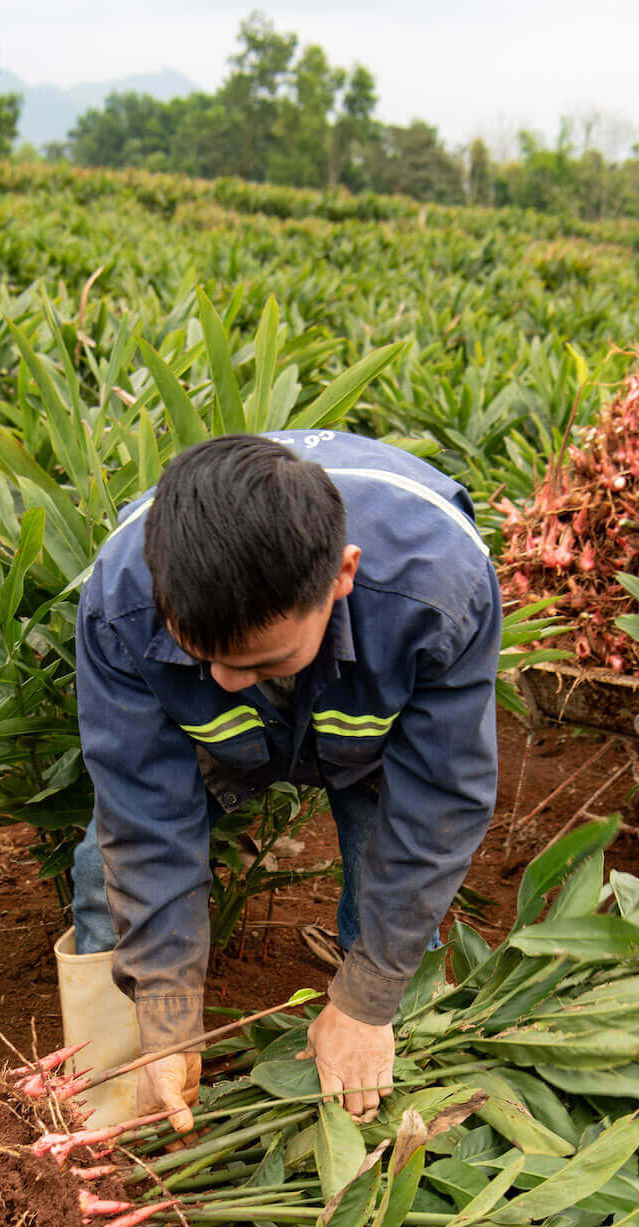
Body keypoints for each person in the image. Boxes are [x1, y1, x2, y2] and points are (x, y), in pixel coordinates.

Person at [73, 429, 501, 1133]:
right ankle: (122, 1098)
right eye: (202, 655)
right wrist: (167, 1011)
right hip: (218, 736)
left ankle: (385, 1094)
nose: (227, 682)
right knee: (103, 874)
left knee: (386, 905)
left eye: (260, 660)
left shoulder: (436, 593)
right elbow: (142, 811)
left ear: (342, 575)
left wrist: (366, 1000)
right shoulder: (123, 599)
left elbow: (437, 804)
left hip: (373, 717)